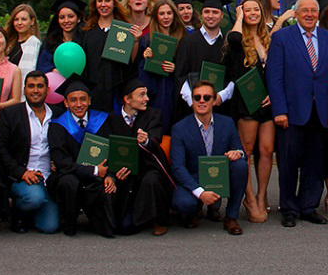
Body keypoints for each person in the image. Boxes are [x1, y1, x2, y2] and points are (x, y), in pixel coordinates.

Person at [267, 0, 328, 227]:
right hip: (291, 111)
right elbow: (274, 77)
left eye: (313, 11)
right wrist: (279, 110)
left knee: (315, 162)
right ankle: (288, 208)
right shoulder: (281, 38)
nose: (309, 14)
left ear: (318, 14)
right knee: (288, 162)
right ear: (296, 14)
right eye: (304, 11)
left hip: (320, 112)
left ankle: (309, 206)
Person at [170, 80, 247, 235]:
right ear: (192, 101)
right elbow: (178, 167)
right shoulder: (179, 129)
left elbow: (241, 150)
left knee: (241, 165)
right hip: (194, 178)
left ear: (214, 100)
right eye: (197, 97)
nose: (202, 101)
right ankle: (195, 209)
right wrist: (200, 192)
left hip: (219, 177)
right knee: (182, 203)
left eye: (207, 97)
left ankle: (231, 217)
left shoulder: (227, 122)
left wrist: (237, 153)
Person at [100, 79, 174, 236]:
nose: (146, 98)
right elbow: (106, 151)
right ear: (127, 99)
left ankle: (158, 219)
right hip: (124, 179)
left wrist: (146, 140)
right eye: (141, 95)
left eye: (146, 94)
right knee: (125, 228)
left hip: (146, 170)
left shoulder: (153, 115)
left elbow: (156, 140)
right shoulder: (111, 120)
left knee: (152, 179)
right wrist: (112, 174)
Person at [0, 71, 61, 235]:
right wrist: (21, 172)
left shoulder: (57, 114)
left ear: (47, 90)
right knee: (34, 198)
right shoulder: (11, 113)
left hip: (48, 177)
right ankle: (18, 214)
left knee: (49, 227)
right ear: (24, 90)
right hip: (21, 175)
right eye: (31, 86)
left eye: (39, 86)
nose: (35, 90)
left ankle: (33, 211)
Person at [44, 78, 115, 238]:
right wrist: (95, 170)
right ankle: (69, 223)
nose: (79, 104)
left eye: (83, 99)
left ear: (89, 100)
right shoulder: (58, 126)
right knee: (70, 182)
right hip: (69, 176)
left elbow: (111, 153)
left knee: (107, 188)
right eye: (73, 100)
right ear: (66, 103)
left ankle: (102, 224)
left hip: (96, 178)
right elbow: (62, 163)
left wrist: (110, 174)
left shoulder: (102, 121)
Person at [225, 0, 274, 222]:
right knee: (247, 151)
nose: (253, 13)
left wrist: (273, 96)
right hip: (246, 102)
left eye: (256, 9)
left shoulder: (268, 38)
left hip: (268, 102)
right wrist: (239, 17)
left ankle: (262, 195)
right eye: (248, 10)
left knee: (266, 150)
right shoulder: (238, 38)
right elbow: (234, 37)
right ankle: (249, 198)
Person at [173, 0, 232, 122]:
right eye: (207, 12)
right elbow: (180, 76)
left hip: (221, 108)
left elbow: (234, 76)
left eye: (215, 12)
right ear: (201, 13)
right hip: (190, 110)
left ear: (222, 15)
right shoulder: (187, 41)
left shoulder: (228, 44)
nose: (210, 16)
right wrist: (193, 100)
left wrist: (222, 96)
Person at [82, 0, 135, 113]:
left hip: (117, 93)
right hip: (93, 94)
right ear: (95, 4)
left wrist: (135, 40)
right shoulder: (88, 33)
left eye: (107, 1)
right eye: (100, 1)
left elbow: (130, 63)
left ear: (114, 4)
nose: (103, 5)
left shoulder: (123, 30)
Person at [138, 0, 183, 127]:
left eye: (169, 13)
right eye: (162, 13)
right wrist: (144, 57)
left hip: (173, 88)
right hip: (155, 88)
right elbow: (140, 71)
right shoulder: (147, 40)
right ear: (156, 16)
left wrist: (176, 67)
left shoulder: (182, 38)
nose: (166, 17)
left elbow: (187, 66)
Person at [33, 0, 84, 74]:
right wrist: (54, 70)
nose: (66, 21)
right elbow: (42, 65)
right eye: (62, 17)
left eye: (70, 16)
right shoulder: (50, 42)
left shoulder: (85, 40)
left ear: (78, 19)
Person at [3, 3, 42, 69]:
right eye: (16, 19)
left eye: (23, 19)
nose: (19, 23)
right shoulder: (8, 42)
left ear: (32, 21)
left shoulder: (33, 43)